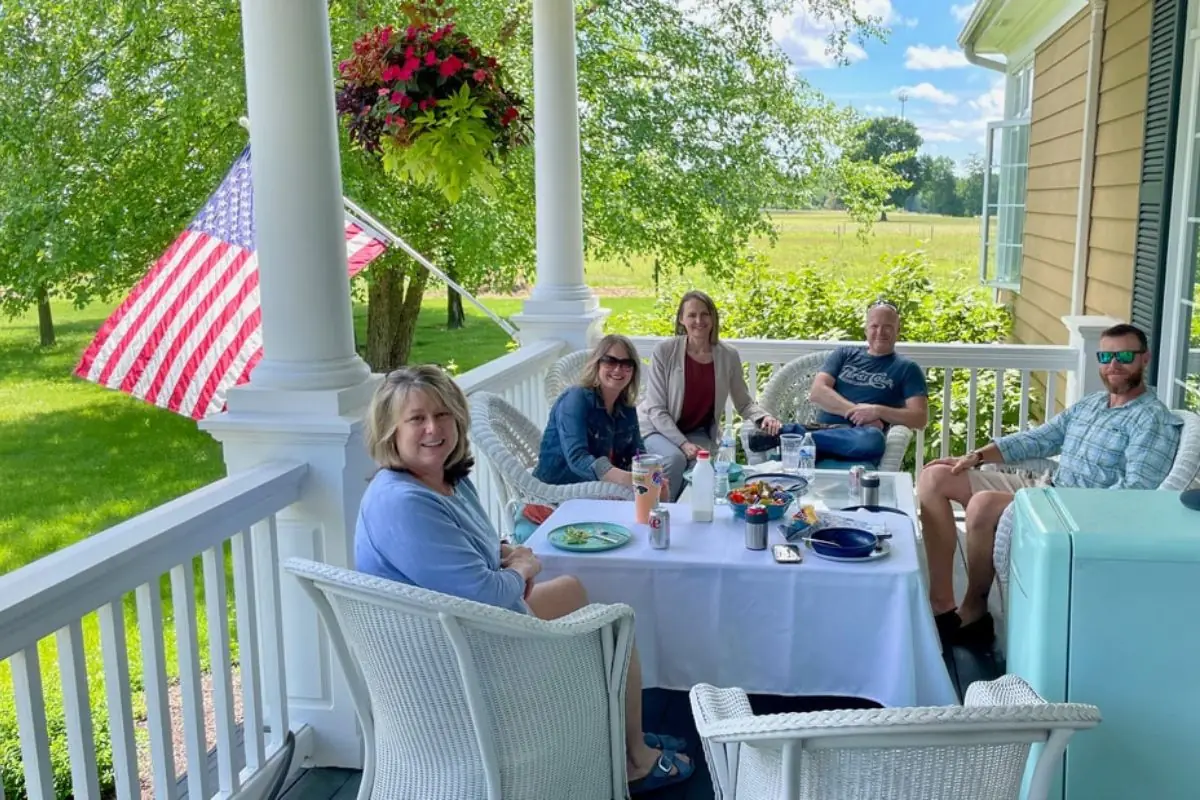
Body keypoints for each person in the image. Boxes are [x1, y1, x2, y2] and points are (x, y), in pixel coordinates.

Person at [355, 365, 694, 794]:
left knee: (575, 589)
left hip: (457, 625)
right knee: (615, 626)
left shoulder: (445, 480)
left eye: (443, 415)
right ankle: (635, 758)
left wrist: (506, 553)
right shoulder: (403, 503)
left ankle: (627, 739)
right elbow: (487, 596)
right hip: (451, 659)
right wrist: (521, 569)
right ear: (390, 431)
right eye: (416, 418)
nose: (433, 428)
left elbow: (461, 551)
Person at [918, 323, 1183, 649]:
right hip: (1045, 486)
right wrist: (975, 456)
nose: (1114, 365)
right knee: (935, 477)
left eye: (1125, 355)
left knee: (984, 504)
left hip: (1070, 511)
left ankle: (974, 611)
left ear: (1145, 360)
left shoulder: (1151, 419)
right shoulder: (1093, 404)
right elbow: (1040, 439)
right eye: (1106, 356)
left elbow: (1136, 494)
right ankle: (942, 605)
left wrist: (1072, 508)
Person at [747, 300, 929, 466]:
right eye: (874, 326)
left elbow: (919, 418)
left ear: (898, 330)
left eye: (887, 327)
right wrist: (857, 413)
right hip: (825, 435)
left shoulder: (907, 368)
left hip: (858, 444)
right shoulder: (844, 355)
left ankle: (790, 435)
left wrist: (877, 411)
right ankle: (803, 439)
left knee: (873, 439)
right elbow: (817, 392)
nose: (880, 332)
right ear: (866, 329)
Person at [638, 290, 781, 500]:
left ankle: (692, 518)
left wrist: (763, 417)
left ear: (713, 318)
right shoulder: (665, 351)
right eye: (692, 315)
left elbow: (744, 403)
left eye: (705, 314)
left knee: (702, 466)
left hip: (696, 432)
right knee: (675, 460)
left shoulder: (728, 356)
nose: (699, 320)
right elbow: (656, 410)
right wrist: (682, 444)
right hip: (655, 428)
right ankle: (664, 514)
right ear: (681, 319)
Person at [535, 334, 663, 496]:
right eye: (610, 361)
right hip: (559, 493)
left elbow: (637, 453)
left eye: (626, 364)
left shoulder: (626, 408)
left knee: (658, 498)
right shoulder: (575, 398)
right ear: (597, 364)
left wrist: (652, 474)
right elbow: (577, 458)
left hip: (602, 493)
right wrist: (627, 478)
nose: (618, 369)